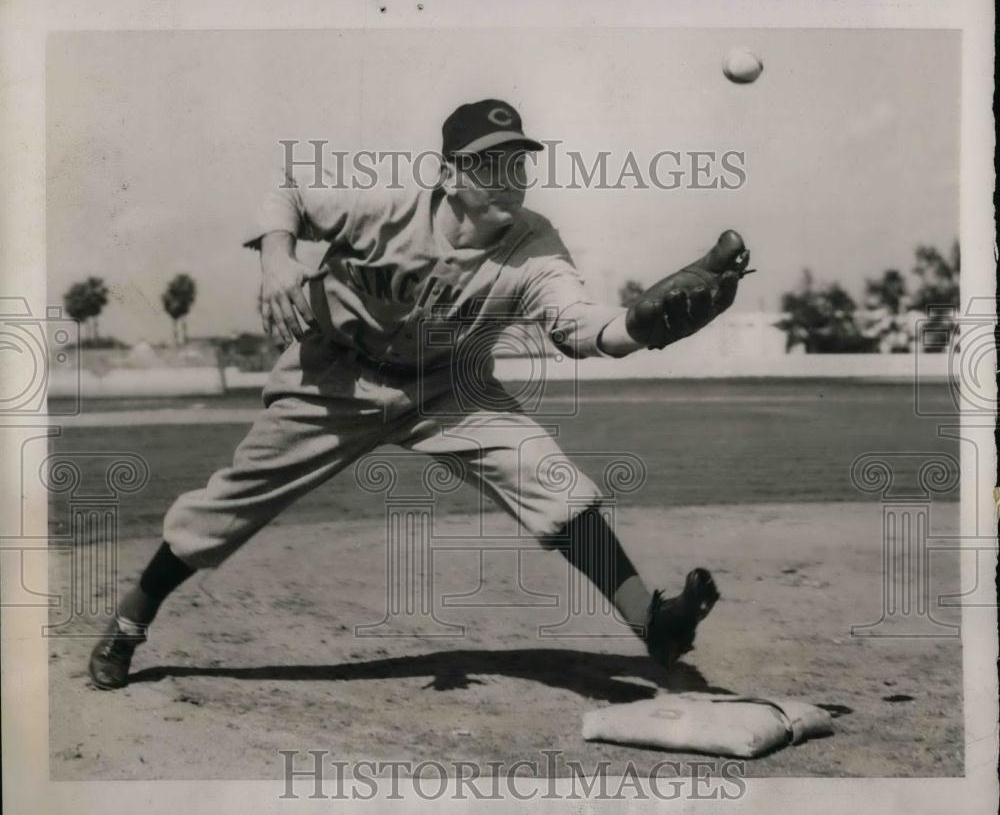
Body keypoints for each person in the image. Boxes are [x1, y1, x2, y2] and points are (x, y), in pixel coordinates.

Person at [89, 98, 751, 690]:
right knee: (231, 499)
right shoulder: (386, 207)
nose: (509, 177)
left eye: (519, 163)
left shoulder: (534, 246)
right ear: (449, 175)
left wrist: (638, 325)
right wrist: (277, 258)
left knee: (547, 473)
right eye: (490, 164)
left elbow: (581, 330)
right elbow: (287, 192)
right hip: (335, 377)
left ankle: (654, 625)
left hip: (447, 387)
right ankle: (129, 622)